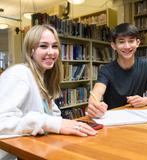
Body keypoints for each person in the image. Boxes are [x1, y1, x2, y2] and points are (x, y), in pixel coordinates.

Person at [0, 24, 97, 159]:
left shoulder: (43, 77)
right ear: (31, 50)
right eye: (43, 46)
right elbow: (2, 122)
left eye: (55, 46)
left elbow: (52, 116)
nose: (51, 52)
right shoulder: (19, 74)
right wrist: (51, 124)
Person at [88, 23, 147, 118]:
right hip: (113, 120)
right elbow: (96, 93)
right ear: (114, 45)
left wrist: (145, 100)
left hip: (137, 117)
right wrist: (94, 106)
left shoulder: (145, 64)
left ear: (137, 43)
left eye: (131, 41)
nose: (127, 46)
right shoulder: (106, 70)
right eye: (121, 42)